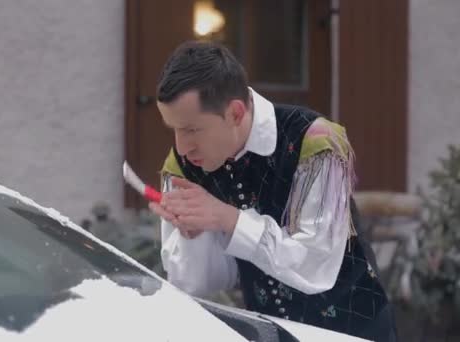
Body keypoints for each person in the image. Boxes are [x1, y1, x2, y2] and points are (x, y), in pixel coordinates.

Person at [148, 41, 397, 341]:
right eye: (173, 129)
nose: (181, 147)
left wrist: (229, 219)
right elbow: (201, 283)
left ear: (235, 114)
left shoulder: (315, 142)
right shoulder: (184, 165)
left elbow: (316, 265)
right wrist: (193, 230)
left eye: (191, 129)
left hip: (354, 333)